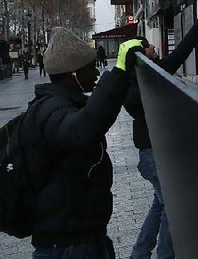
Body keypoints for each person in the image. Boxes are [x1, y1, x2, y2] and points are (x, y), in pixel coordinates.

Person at [20, 27, 143, 259]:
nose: (96, 73)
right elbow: (83, 129)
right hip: (68, 245)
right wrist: (118, 72)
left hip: (81, 237)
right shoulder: (49, 110)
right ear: (72, 74)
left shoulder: (62, 104)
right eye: (90, 67)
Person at [125, 0, 198, 259]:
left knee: (160, 204)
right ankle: (165, 255)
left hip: (153, 153)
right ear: (142, 55)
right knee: (173, 207)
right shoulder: (136, 87)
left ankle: (140, 253)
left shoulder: (151, 74)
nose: (154, 47)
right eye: (149, 46)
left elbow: (182, 51)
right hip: (153, 155)